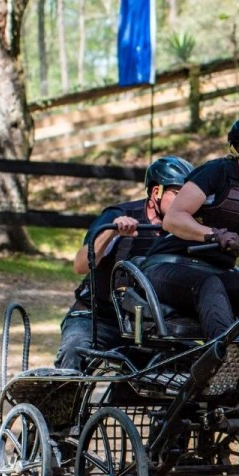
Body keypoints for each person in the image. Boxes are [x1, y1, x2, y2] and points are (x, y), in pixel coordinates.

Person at [141, 111, 239, 341]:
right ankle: (227, 357)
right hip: (166, 266)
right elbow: (173, 219)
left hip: (219, 273)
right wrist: (212, 235)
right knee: (209, 283)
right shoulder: (215, 174)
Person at [54, 156, 195, 371]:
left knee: (195, 360)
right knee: (74, 351)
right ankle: (61, 401)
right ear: (156, 191)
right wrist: (112, 232)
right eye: (178, 194)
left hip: (150, 324)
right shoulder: (119, 214)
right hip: (98, 317)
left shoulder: (186, 227)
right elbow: (81, 265)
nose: (185, 202)